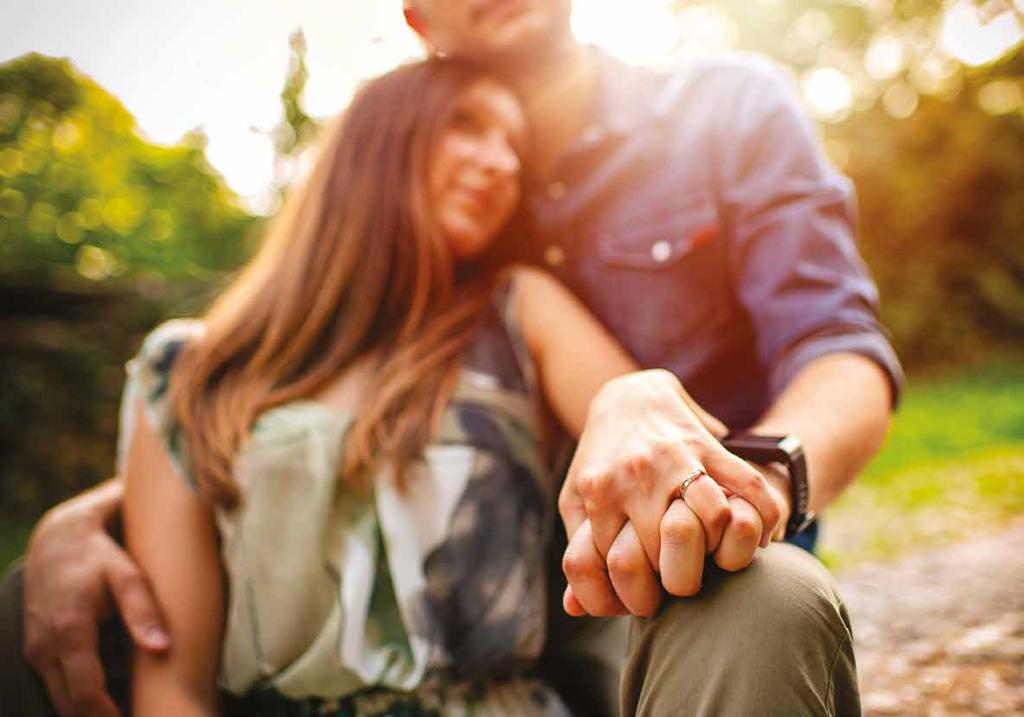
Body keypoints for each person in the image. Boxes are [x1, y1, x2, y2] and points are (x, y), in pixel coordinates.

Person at [1, 0, 903, 715]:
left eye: (506, 143)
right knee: (27, 605)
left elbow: (837, 346)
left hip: (631, 585)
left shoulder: (706, 125)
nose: (494, 163)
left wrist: (702, 444)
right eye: (463, 130)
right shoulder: (219, 359)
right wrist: (105, 508)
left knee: (768, 593)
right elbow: (320, 430)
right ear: (415, 26)